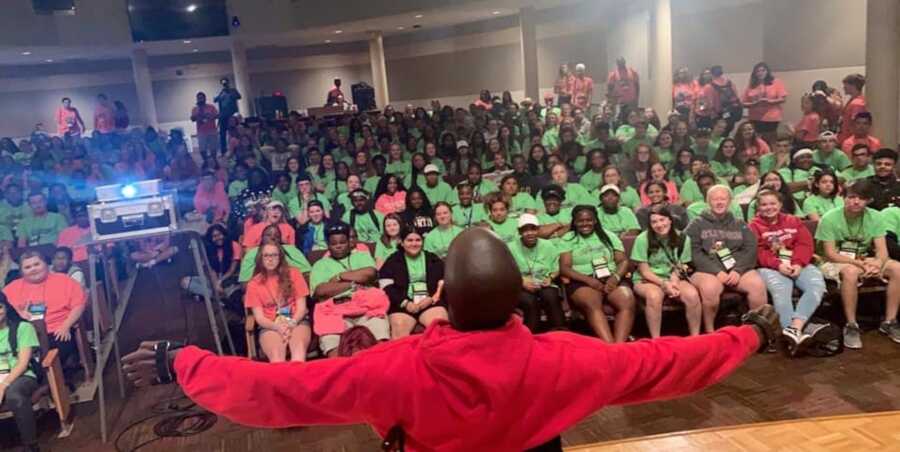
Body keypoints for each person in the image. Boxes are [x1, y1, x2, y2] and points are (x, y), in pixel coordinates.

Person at [123, 227, 781, 451]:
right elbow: (668, 362)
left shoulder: (396, 367)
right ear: (514, 296)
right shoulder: (567, 359)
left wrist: (181, 361)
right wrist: (748, 336)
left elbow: (276, 393)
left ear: (445, 299)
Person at [815, 180, 900, 348]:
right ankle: (851, 325)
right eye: (851, 197)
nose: (856, 202)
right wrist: (861, 265)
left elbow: (882, 251)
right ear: (844, 197)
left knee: (897, 268)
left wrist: (876, 263)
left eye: (861, 198)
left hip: (864, 259)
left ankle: (890, 321)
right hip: (833, 262)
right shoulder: (829, 218)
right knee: (851, 272)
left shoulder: (875, 216)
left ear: (868, 200)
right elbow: (831, 254)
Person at [749, 190, 825, 351]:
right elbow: (758, 252)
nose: (768, 207)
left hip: (798, 263)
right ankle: (790, 334)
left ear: (780, 204)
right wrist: (779, 265)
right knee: (781, 289)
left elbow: (805, 244)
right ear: (758, 207)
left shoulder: (793, 220)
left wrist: (798, 263)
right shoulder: (753, 226)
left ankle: (794, 329)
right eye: (764, 204)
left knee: (816, 285)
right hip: (770, 266)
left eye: (772, 203)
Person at [686, 185, 767, 333]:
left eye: (723, 199)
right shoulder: (696, 224)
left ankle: (758, 332)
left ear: (730, 201)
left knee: (757, 285)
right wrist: (717, 272)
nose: (719, 202)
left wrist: (738, 270)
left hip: (736, 269)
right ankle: (710, 332)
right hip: (708, 271)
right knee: (710, 289)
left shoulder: (740, 224)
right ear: (708, 201)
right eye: (715, 199)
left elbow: (750, 249)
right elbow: (693, 253)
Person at [308, 222, 390, 357]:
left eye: (342, 242)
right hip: (335, 312)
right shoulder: (320, 265)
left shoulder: (361, 256)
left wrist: (340, 276)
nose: (339, 246)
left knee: (382, 342)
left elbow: (370, 274)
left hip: (367, 309)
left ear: (349, 242)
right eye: (334, 243)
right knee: (332, 345)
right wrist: (352, 284)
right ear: (328, 245)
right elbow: (320, 291)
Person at [3, 251, 86, 380]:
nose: (33, 269)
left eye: (36, 264)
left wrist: (66, 325)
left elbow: (78, 305)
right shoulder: (11, 289)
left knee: (57, 351)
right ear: (22, 271)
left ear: (46, 264)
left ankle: (55, 384)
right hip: (24, 336)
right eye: (28, 267)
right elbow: (3, 310)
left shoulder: (64, 281)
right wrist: (18, 314)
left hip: (57, 331)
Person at [559, 205, 635, 342]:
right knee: (592, 304)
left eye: (589, 220)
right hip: (583, 280)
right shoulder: (568, 238)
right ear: (574, 222)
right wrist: (589, 281)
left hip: (611, 277)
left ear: (595, 220)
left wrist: (615, 278)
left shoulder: (608, 235)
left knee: (627, 300)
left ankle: (619, 347)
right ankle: (610, 347)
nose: (585, 224)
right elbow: (565, 268)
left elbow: (623, 261)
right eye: (580, 221)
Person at [631, 205, 701, 337]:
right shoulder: (642, 239)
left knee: (692, 295)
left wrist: (674, 279)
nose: (659, 224)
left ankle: (695, 337)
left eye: (662, 220)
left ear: (670, 220)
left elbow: (681, 264)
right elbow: (644, 271)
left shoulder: (683, 238)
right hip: (648, 278)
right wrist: (664, 284)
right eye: (654, 222)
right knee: (654, 296)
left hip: (673, 276)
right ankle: (656, 340)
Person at [244, 242, 311, 362]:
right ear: (261, 258)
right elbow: (259, 318)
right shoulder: (253, 284)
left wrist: (291, 324)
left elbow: (302, 308)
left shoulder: (294, 273)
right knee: (276, 357)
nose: (270, 259)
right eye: (266, 256)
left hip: (297, 320)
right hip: (270, 325)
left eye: (274, 255)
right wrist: (278, 327)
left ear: (280, 257)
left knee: (298, 352)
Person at [379, 227, 448, 339]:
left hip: (430, 301)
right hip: (402, 303)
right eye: (409, 240)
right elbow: (386, 286)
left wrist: (432, 298)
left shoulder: (433, 258)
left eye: (418, 240)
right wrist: (405, 303)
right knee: (399, 327)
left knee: (439, 324)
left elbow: (443, 280)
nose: (414, 244)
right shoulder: (392, 260)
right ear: (401, 242)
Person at [509, 214, 564, 332]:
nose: (530, 233)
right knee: (530, 302)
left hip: (544, 282)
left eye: (533, 229)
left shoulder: (548, 245)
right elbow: (506, 272)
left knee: (551, 297)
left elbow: (556, 269)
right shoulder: (511, 248)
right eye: (525, 230)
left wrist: (550, 278)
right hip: (520, 285)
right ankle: (530, 338)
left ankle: (560, 334)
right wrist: (522, 281)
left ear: (538, 230)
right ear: (519, 232)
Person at [0, 293, 41, 452]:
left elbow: (23, 364)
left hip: (22, 376)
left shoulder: (23, 328)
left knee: (14, 394)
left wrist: (3, 385)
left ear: (5, 308)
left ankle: (31, 445)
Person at [742, 62, 787, 142]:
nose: (760, 73)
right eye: (758, 71)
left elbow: (783, 99)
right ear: (755, 73)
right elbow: (743, 103)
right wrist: (754, 103)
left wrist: (769, 101)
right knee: (756, 140)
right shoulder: (752, 85)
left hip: (771, 118)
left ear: (767, 71)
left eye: (763, 70)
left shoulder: (776, 82)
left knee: (769, 140)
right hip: (755, 117)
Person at [214, 77, 242, 154]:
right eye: (223, 83)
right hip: (223, 116)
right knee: (222, 133)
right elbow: (215, 99)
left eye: (225, 82)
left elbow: (239, 96)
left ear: (228, 83)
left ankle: (237, 149)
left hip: (232, 116)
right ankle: (223, 151)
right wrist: (221, 95)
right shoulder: (221, 92)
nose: (224, 84)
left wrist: (229, 92)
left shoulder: (233, 90)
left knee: (235, 132)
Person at [838, 73, 867, 144]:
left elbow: (857, 126)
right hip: (845, 138)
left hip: (851, 141)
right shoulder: (853, 100)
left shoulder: (857, 103)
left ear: (853, 86)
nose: (843, 87)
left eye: (845, 85)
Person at [191, 92, 219, 156]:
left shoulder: (211, 107)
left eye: (201, 98)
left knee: (213, 148)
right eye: (198, 98)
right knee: (202, 149)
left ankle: (215, 161)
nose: (200, 99)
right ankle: (205, 161)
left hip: (212, 130)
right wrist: (197, 114)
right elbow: (193, 119)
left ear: (205, 98)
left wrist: (209, 115)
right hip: (201, 132)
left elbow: (217, 115)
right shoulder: (195, 109)